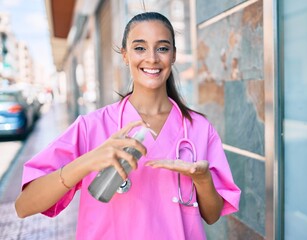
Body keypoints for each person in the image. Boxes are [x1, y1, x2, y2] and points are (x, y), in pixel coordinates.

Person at [15, 12, 241, 239]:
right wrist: (87, 162)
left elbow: (212, 215)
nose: (152, 58)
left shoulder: (198, 129)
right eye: (140, 48)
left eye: (162, 48)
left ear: (173, 56)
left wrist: (202, 179)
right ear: (125, 55)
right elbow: (24, 206)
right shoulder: (91, 127)